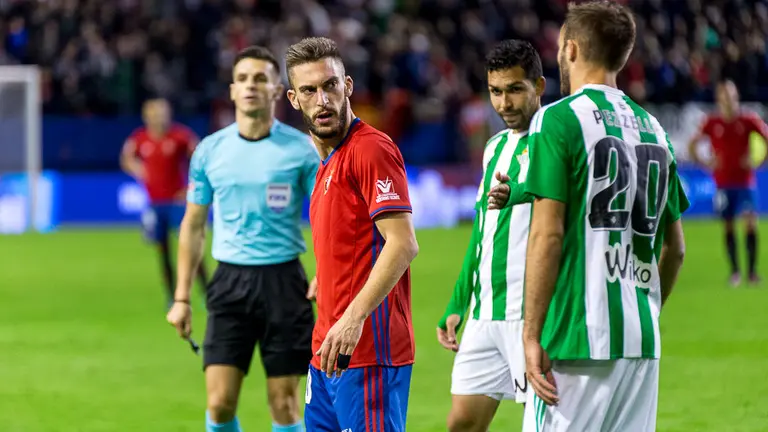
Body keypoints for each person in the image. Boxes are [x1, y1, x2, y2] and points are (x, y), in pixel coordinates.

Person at [520, 2, 688, 431]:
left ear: (571, 49)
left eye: (559, 45)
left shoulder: (556, 120)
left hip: (577, 337)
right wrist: (646, 309)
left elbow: (547, 234)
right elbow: (677, 249)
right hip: (639, 341)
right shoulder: (654, 129)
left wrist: (531, 334)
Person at [166, 46, 319, 432]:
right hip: (229, 283)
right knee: (219, 404)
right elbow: (194, 225)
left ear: (277, 90)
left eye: (260, 78)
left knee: (284, 404)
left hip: (285, 283)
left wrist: (328, 273)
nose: (251, 86)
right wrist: (182, 297)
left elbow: (326, 219)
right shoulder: (209, 151)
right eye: (244, 79)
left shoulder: (303, 151)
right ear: (232, 91)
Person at [283, 36, 419, 431]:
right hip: (326, 349)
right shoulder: (328, 162)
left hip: (367, 351)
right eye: (309, 90)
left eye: (330, 85)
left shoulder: (370, 149)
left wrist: (352, 318)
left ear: (348, 87)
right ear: (294, 99)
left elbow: (402, 242)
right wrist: (323, 281)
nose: (322, 99)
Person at [435, 39, 544, 432]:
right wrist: (457, 302)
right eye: (496, 92)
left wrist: (518, 192)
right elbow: (483, 231)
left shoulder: (557, 139)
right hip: (485, 316)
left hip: (532, 315)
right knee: (462, 423)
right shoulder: (494, 147)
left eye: (515, 89)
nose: (504, 103)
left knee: (545, 425)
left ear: (539, 87)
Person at [120, 98, 209, 306]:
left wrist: (190, 187)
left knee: (190, 247)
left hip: (178, 204)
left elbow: (200, 157)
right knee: (163, 253)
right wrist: (137, 169)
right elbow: (126, 158)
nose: (160, 118)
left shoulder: (180, 136)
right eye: (155, 114)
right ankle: (172, 296)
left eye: (163, 113)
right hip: (154, 205)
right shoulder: (140, 139)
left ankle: (207, 292)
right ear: (147, 116)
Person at [687, 80, 768, 286]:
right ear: (719, 99)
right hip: (723, 183)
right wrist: (706, 162)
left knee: (750, 223)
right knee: (729, 225)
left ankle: (751, 272)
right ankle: (734, 272)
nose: (728, 100)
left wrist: (758, 162)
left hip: (745, 182)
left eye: (731, 96)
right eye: (724, 96)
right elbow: (692, 144)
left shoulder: (748, 119)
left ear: (736, 97)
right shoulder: (712, 122)